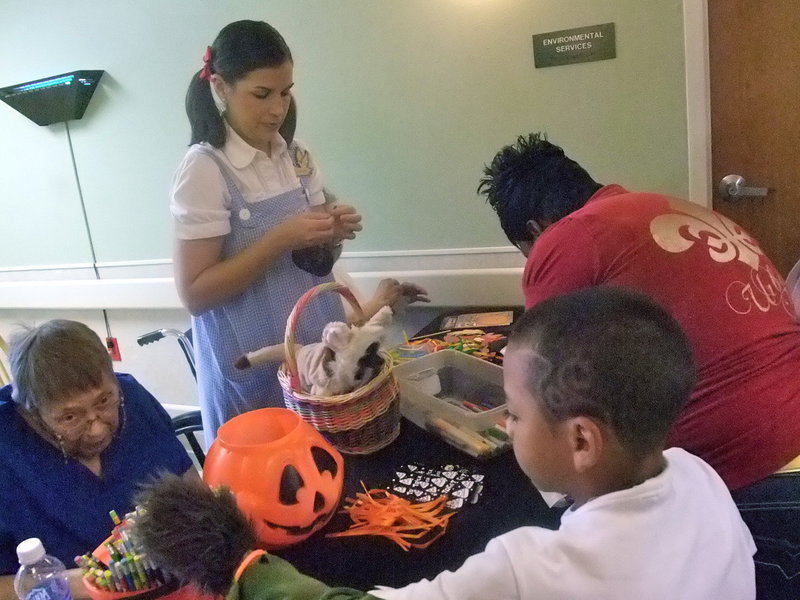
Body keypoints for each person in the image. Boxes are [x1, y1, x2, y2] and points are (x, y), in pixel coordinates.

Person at [132, 287, 756, 599]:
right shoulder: (698, 477)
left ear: (583, 441)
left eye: (514, 412)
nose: (506, 426)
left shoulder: (531, 569)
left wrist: (239, 563)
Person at [478, 132, 800, 597]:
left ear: (535, 228)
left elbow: (544, 373)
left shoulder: (569, 235)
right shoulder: (670, 208)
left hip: (757, 478)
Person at [172, 20, 426, 441]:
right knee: (278, 481)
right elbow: (196, 294)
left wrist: (331, 235)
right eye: (262, 94)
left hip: (319, 356)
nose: (278, 109)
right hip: (255, 363)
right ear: (220, 87)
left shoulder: (295, 155)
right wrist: (280, 238)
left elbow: (315, 264)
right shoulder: (204, 168)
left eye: (286, 92)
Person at [0, 320, 196, 599]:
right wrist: (86, 584)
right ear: (32, 414)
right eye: (70, 417)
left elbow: (191, 486)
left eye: (105, 401)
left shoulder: (133, 398)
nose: (98, 429)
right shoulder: (7, 453)